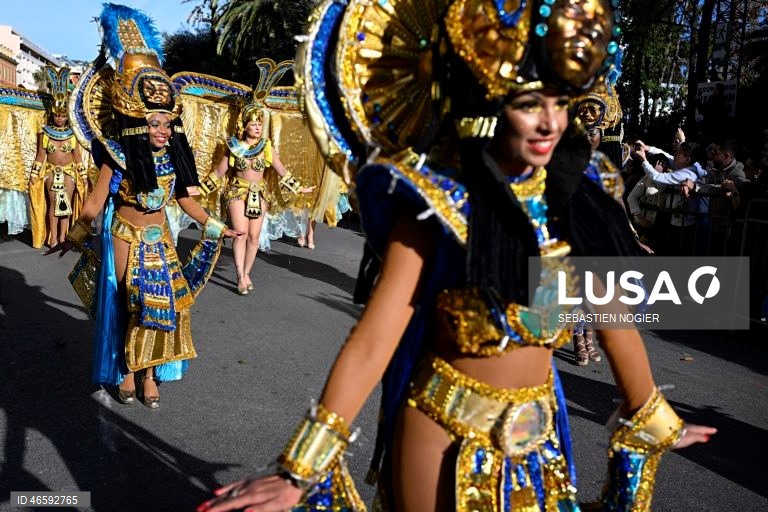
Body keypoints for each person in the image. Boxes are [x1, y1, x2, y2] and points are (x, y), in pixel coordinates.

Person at [201, 0, 715, 510]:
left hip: (539, 437)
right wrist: (299, 469)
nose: (550, 123)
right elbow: (375, 339)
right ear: (488, 101)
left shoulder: (575, 196)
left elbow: (611, 313)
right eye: (530, 104)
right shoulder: (438, 200)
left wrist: (650, 414)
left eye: (561, 102)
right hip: (443, 432)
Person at [48, 4, 242, 408]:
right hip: (123, 235)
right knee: (129, 303)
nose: (162, 130)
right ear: (138, 123)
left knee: (161, 305)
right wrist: (76, 234)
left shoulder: (174, 156)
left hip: (161, 237)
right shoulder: (116, 154)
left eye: (167, 123)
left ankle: (151, 372)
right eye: (154, 123)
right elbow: (97, 201)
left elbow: (187, 200)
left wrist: (215, 226)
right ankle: (130, 372)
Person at [199, 60, 314, 295]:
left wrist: (298, 188)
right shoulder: (233, 147)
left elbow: (280, 169)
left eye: (260, 124)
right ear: (245, 125)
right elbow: (220, 173)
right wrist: (198, 190)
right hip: (237, 193)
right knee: (240, 232)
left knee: (254, 236)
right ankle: (240, 275)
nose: (258, 127)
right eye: (254, 124)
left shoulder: (267, 147)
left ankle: (247, 272)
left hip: (259, 193)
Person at [28, 66, 89, 249]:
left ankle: (63, 236)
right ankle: (53, 237)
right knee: (54, 204)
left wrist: (84, 177)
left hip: (70, 172)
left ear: (67, 116)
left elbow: (77, 157)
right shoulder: (44, 132)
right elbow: (40, 155)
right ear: (52, 113)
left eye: (63, 116)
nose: (59, 119)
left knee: (66, 206)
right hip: (51, 172)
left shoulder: (72, 134)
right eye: (57, 115)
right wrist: (33, 174)